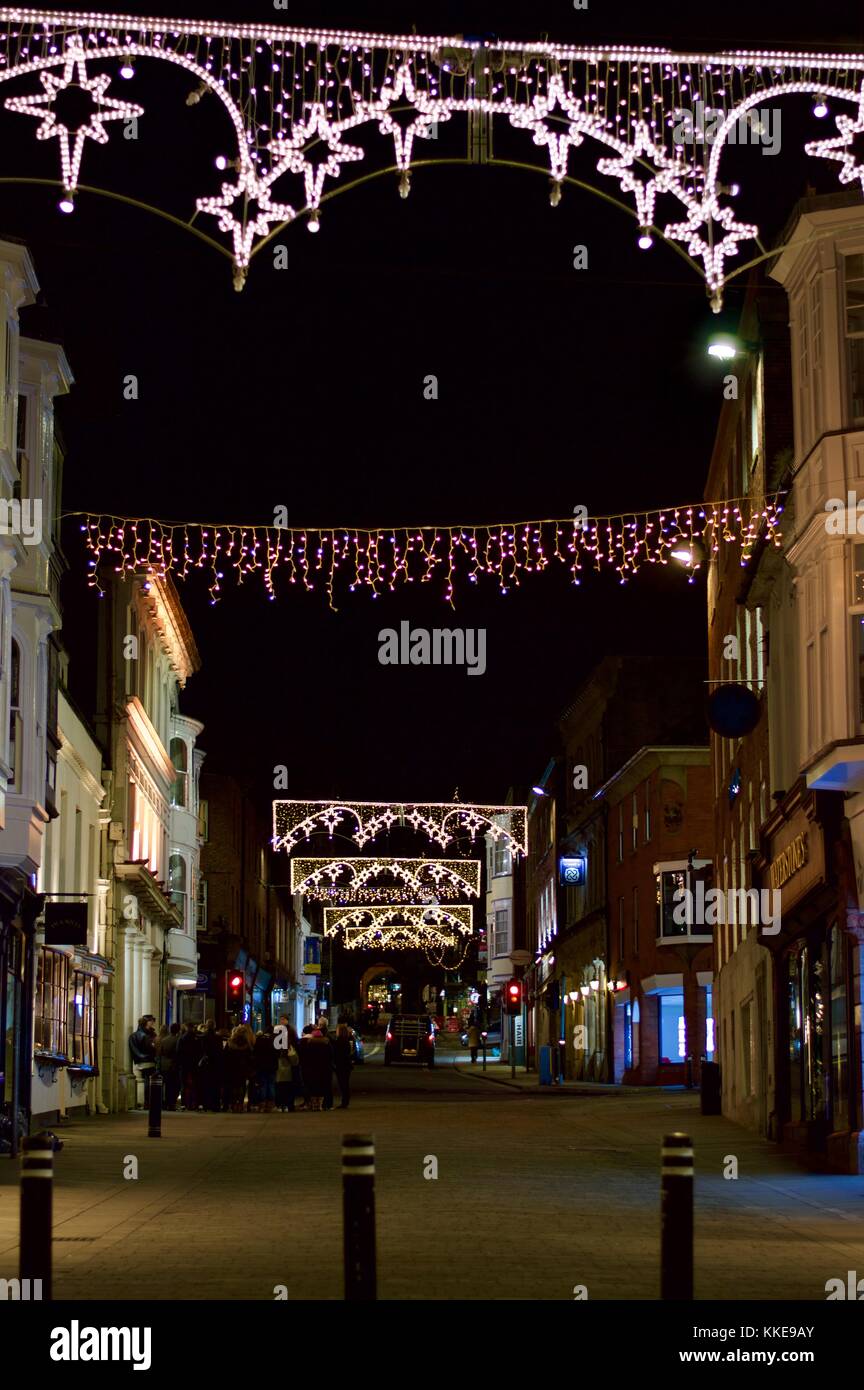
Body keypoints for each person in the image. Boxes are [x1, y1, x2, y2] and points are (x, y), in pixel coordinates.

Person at [298, 1024, 332, 1111]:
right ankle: (320, 1105)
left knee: (313, 1087)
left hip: (311, 1069)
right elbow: (331, 1057)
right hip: (323, 1069)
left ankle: (313, 1105)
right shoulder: (326, 1044)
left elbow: (305, 1057)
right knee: (321, 1087)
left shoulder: (309, 1045)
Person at [224, 1025, 255, 1112]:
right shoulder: (247, 1043)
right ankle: (240, 1104)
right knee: (242, 1086)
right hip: (243, 1068)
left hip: (232, 1068)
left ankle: (234, 1104)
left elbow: (226, 1056)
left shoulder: (230, 1042)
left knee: (233, 1086)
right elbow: (250, 1057)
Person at [128, 1016, 156, 1106]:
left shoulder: (133, 1035)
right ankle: (148, 1102)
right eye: (151, 1021)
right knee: (149, 1081)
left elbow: (133, 1049)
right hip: (148, 1060)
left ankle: (146, 1102)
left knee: (147, 1081)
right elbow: (152, 1048)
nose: (152, 1023)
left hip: (139, 1060)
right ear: (146, 1023)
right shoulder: (147, 1036)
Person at [198, 1019, 224, 1111]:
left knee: (205, 1084)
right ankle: (215, 1105)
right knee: (215, 1085)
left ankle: (206, 1104)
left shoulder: (202, 1037)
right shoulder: (218, 1038)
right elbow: (220, 1052)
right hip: (215, 1064)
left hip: (205, 1064)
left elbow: (200, 1052)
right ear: (214, 1026)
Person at [177, 1021, 203, 1110]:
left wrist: (180, 1062)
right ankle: (196, 1103)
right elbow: (200, 1051)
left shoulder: (182, 1038)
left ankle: (184, 1104)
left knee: (184, 1084)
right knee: (197, 1084)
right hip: (195, 1063)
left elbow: (178, 1052)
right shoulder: (197, 1038)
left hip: (184, 1064)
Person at [156, 1022, 181, 1109]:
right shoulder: (178, 1039)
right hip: (173, 1065)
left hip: (164, 1065)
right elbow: (178, 1053)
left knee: (166, 1085)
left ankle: (165, 1103)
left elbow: (160, 1053)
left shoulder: (164, 1040)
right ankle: (171, 1103)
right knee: (173, 1085)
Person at [252, 1028, 278, 1113]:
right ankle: (270, 1104)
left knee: (262, 1085)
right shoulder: (273, 1041)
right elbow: (276, 1055)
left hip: (261, 1066)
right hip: (271, 1067)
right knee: (271, 1085)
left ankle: (262, 1104)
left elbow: (255, 1054)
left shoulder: (259, 1040)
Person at [275, 1022, 299, 1112]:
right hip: (288, 1072)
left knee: (279, 1090)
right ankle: (289, 1105)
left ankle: (280, 1105)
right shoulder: (289, 1045)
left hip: (278, 1071)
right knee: (288, 1090)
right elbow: (295, 1061)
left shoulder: (275, 1045)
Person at [333, 1022, 353, 1110]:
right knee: (345, 1083)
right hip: (346, 1065)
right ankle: (345, 1101)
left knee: (343, 1084)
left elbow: (337, 1054)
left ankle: (344, 1102)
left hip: (341, 1065)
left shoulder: (339, 1041)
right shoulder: (346, 1040)